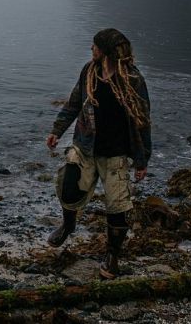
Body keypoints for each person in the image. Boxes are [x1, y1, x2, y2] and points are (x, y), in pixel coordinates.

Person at [45, 28, 151, 280]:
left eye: (94, 46)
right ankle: (68, 224)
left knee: (117, 206)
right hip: (85, 146)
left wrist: (141, 159)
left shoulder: (133, 80)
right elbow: (73, 103)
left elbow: (142, 120)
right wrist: (57, 130)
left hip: (115, 153)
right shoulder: (89, 71)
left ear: (105, 51)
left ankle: (112, 256)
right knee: (69, 186)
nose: (90, 49)